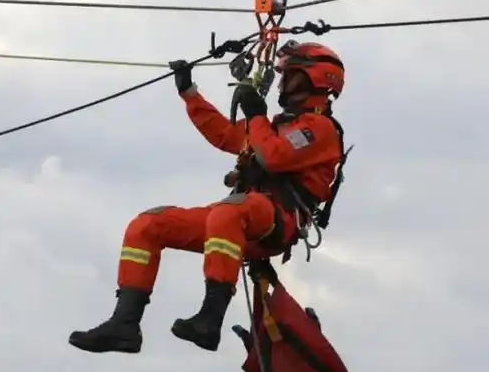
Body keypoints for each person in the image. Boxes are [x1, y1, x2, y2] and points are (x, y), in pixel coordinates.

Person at [67, 40, 347, 354]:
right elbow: (224, 134)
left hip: (278, 220)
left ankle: (210, 319)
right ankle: (124, 323)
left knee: (227, 213)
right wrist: (189, 93)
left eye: (289, 76)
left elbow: (272, 156)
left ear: (313, 81)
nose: (281, 83)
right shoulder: (274, 127)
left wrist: (256, 114)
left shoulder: (320, 129)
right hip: (241, 216)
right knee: (147, 225)